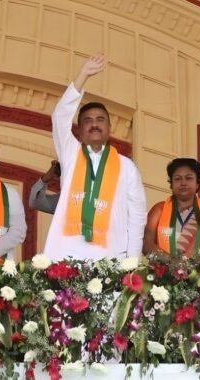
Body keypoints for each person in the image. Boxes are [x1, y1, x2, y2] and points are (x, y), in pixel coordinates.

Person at [42, 55, 147, 260]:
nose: (94, 124)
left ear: (109, 128)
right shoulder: (71, 154)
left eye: (100, 120)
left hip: (110, 257)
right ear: (80, 130)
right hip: (65, 255)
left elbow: (137, 218)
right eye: (88, 121)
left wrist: (131, 263)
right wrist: (83, 76)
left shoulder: (127, 167)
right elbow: (60, 118)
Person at [144, 158, 200, 259]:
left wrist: (195, 266)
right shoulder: (159, 210)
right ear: (171, 184)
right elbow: (146, 243)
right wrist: (171, 263)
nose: (183, 183)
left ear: (198, 183)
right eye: (178, 179)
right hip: (163, 272)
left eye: (188, 178)